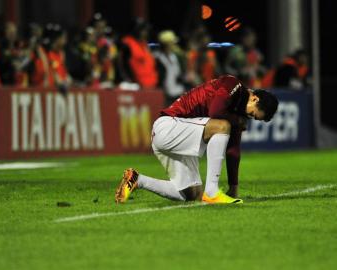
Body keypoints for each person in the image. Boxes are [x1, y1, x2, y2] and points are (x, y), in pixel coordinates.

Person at [115, 74, 278, 204]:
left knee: (190, 194)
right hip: (168, 126)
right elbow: (215, 111)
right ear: (255, 99)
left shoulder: (236, 114)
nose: (248, 118)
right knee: (222, 126)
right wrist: (236, 122)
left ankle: (137, 179)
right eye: (252, 114)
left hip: (175, 136)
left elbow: (233, 150)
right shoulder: (232, 84)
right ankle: (212, 192)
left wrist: (233, 187)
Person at [154, 30, 186, 105]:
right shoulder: (157, 58)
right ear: (166, 44)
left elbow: (178, 73)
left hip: (177, 93)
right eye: (172, 43)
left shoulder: (174, 56)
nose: (174, 45)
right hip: (164, 96)